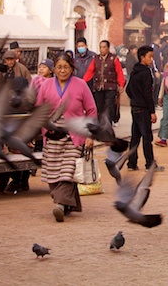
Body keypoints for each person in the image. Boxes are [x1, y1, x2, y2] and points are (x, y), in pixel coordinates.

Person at [36, 54, 97, 222]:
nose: (62, 70)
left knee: (68, 170)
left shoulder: (81, 85)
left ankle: (61, 206)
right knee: (53, 171)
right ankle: (68, 204)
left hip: (74, 136)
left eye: (66, 67)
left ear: (72, 68)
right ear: (54, 69)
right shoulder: (46, 85)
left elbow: (91, 111)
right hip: (53, 136)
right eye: (59, 67)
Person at [126, 45, 158, 171]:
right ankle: (149, 164)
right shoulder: (146, 73)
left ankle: (132, 163)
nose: (151, 60)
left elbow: (128, 89)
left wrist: (135, 99)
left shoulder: (134, 72)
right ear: (142, 57)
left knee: (135, 137)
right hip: (143, 109)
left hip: (135, 107)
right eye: (149, 57)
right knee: (146, 137)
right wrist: (152, 111)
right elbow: (148, 94)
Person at [83, 40, 125, 123]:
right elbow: (90, 71)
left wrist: (121, 85)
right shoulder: (96, 59)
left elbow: (119, 72)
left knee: (108, 108)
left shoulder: (114, 59)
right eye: (100, 47)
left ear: (108, 48)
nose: (102, 49)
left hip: (111, 87)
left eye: (104, 47)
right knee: (99, 108)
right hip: (98, 87)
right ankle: (100, 127)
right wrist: (83, 82)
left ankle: (107, 127)